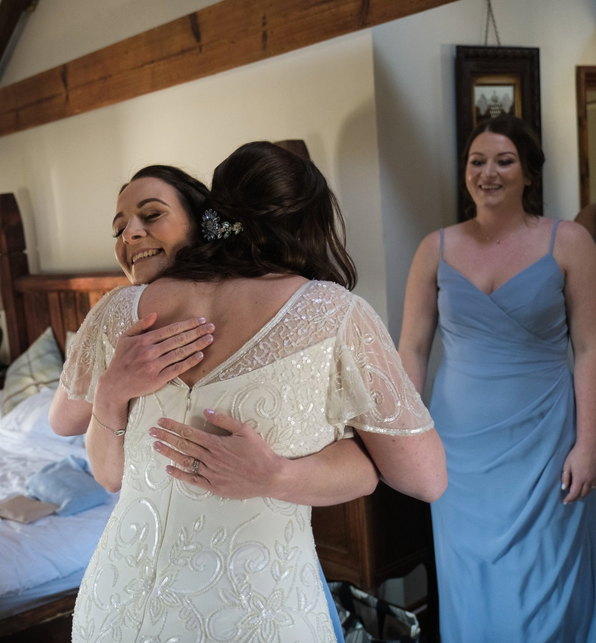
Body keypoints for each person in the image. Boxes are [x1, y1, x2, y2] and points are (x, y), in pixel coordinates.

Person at [52, 143, 444, 642]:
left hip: (114, 606)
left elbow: (106, 472)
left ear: (209, 216)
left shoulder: (120, 310)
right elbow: (427, 479)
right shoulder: (333, 313)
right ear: (312, 222)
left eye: (151, 215)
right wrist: (313, 472)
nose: (132, 233)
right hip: (254, 616)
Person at [399, 115, 596, 642]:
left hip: (547, 441)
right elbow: (412, 349)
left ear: (528, 172)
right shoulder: (434, 249)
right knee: (470, 584)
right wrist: (402, 435)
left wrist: (590, 442)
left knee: (546, 581)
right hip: (458, 452)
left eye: (504, 161)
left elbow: (589, 348)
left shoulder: (569, 241)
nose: (488, 172)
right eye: (477, 161)